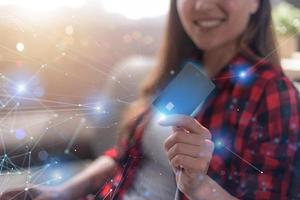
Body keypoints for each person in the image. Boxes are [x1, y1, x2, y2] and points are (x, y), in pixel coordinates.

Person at [1, 0, 300, 199]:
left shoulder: (272, 94)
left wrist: (199, 185)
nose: (202, 5)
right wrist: (60, 193)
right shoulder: (188, 72)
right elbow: (125, 156)